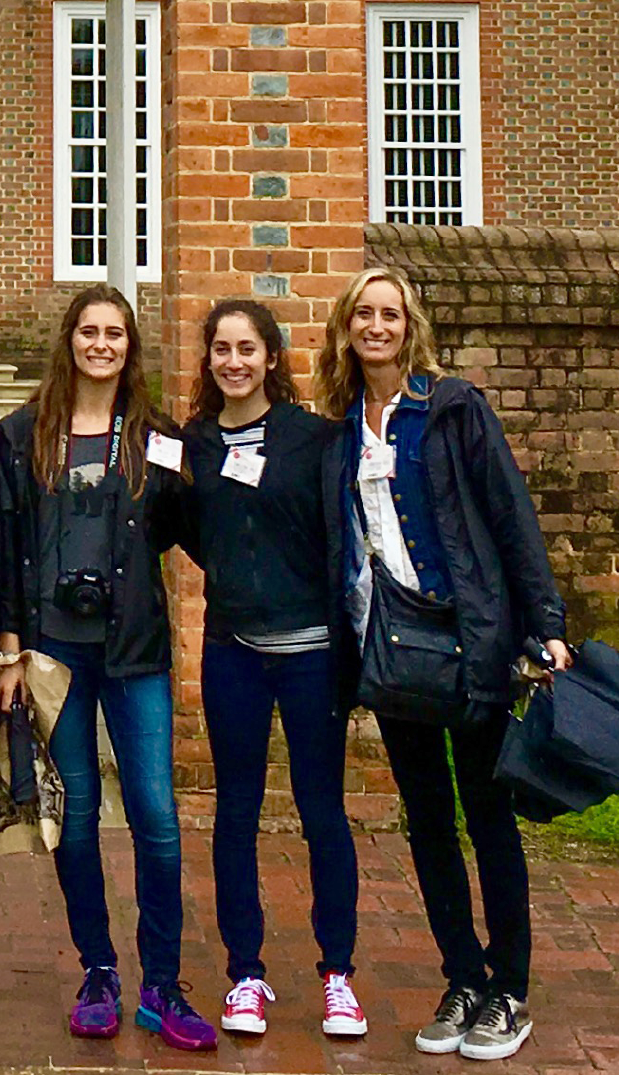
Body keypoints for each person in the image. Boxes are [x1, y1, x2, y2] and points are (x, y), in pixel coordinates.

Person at [315, 264, 571, 1064]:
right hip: (393, 655)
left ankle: (509, 990)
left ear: (409, 325)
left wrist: (546, 624)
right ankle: (461, 975)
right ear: (346, 328)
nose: (377, 326)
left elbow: (509, 515)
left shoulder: (453, 408)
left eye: (390, 314)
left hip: (472, 644)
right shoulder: (340, 427)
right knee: (427, 822)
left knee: (487, 818)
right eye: (364, 314)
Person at [0, 284, 216, 1052]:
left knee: (153, 813)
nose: (101, 344)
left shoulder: (153, 435)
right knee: (75, 817)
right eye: (88, 331)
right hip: (54, 654)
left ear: (129, 346)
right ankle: (98, 971)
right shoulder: (23, 437)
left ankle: (162, 983)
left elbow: (193, 529)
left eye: (114, 333)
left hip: (134, 650)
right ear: (68, 340)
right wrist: (7, 651)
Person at [179, 300, 365, 1041]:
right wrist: (230, 578)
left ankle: (338, 974)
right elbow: (189, 531)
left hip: (311, 655)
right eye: (221, 349)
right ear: (208, 359)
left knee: (321, 812)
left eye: (246, 349)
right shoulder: (190, 445)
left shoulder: (313, 439)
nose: (233, 361)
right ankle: (245, 974)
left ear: (269, 356)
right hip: (233, 655)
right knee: (235, 813)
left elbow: (339, 532)